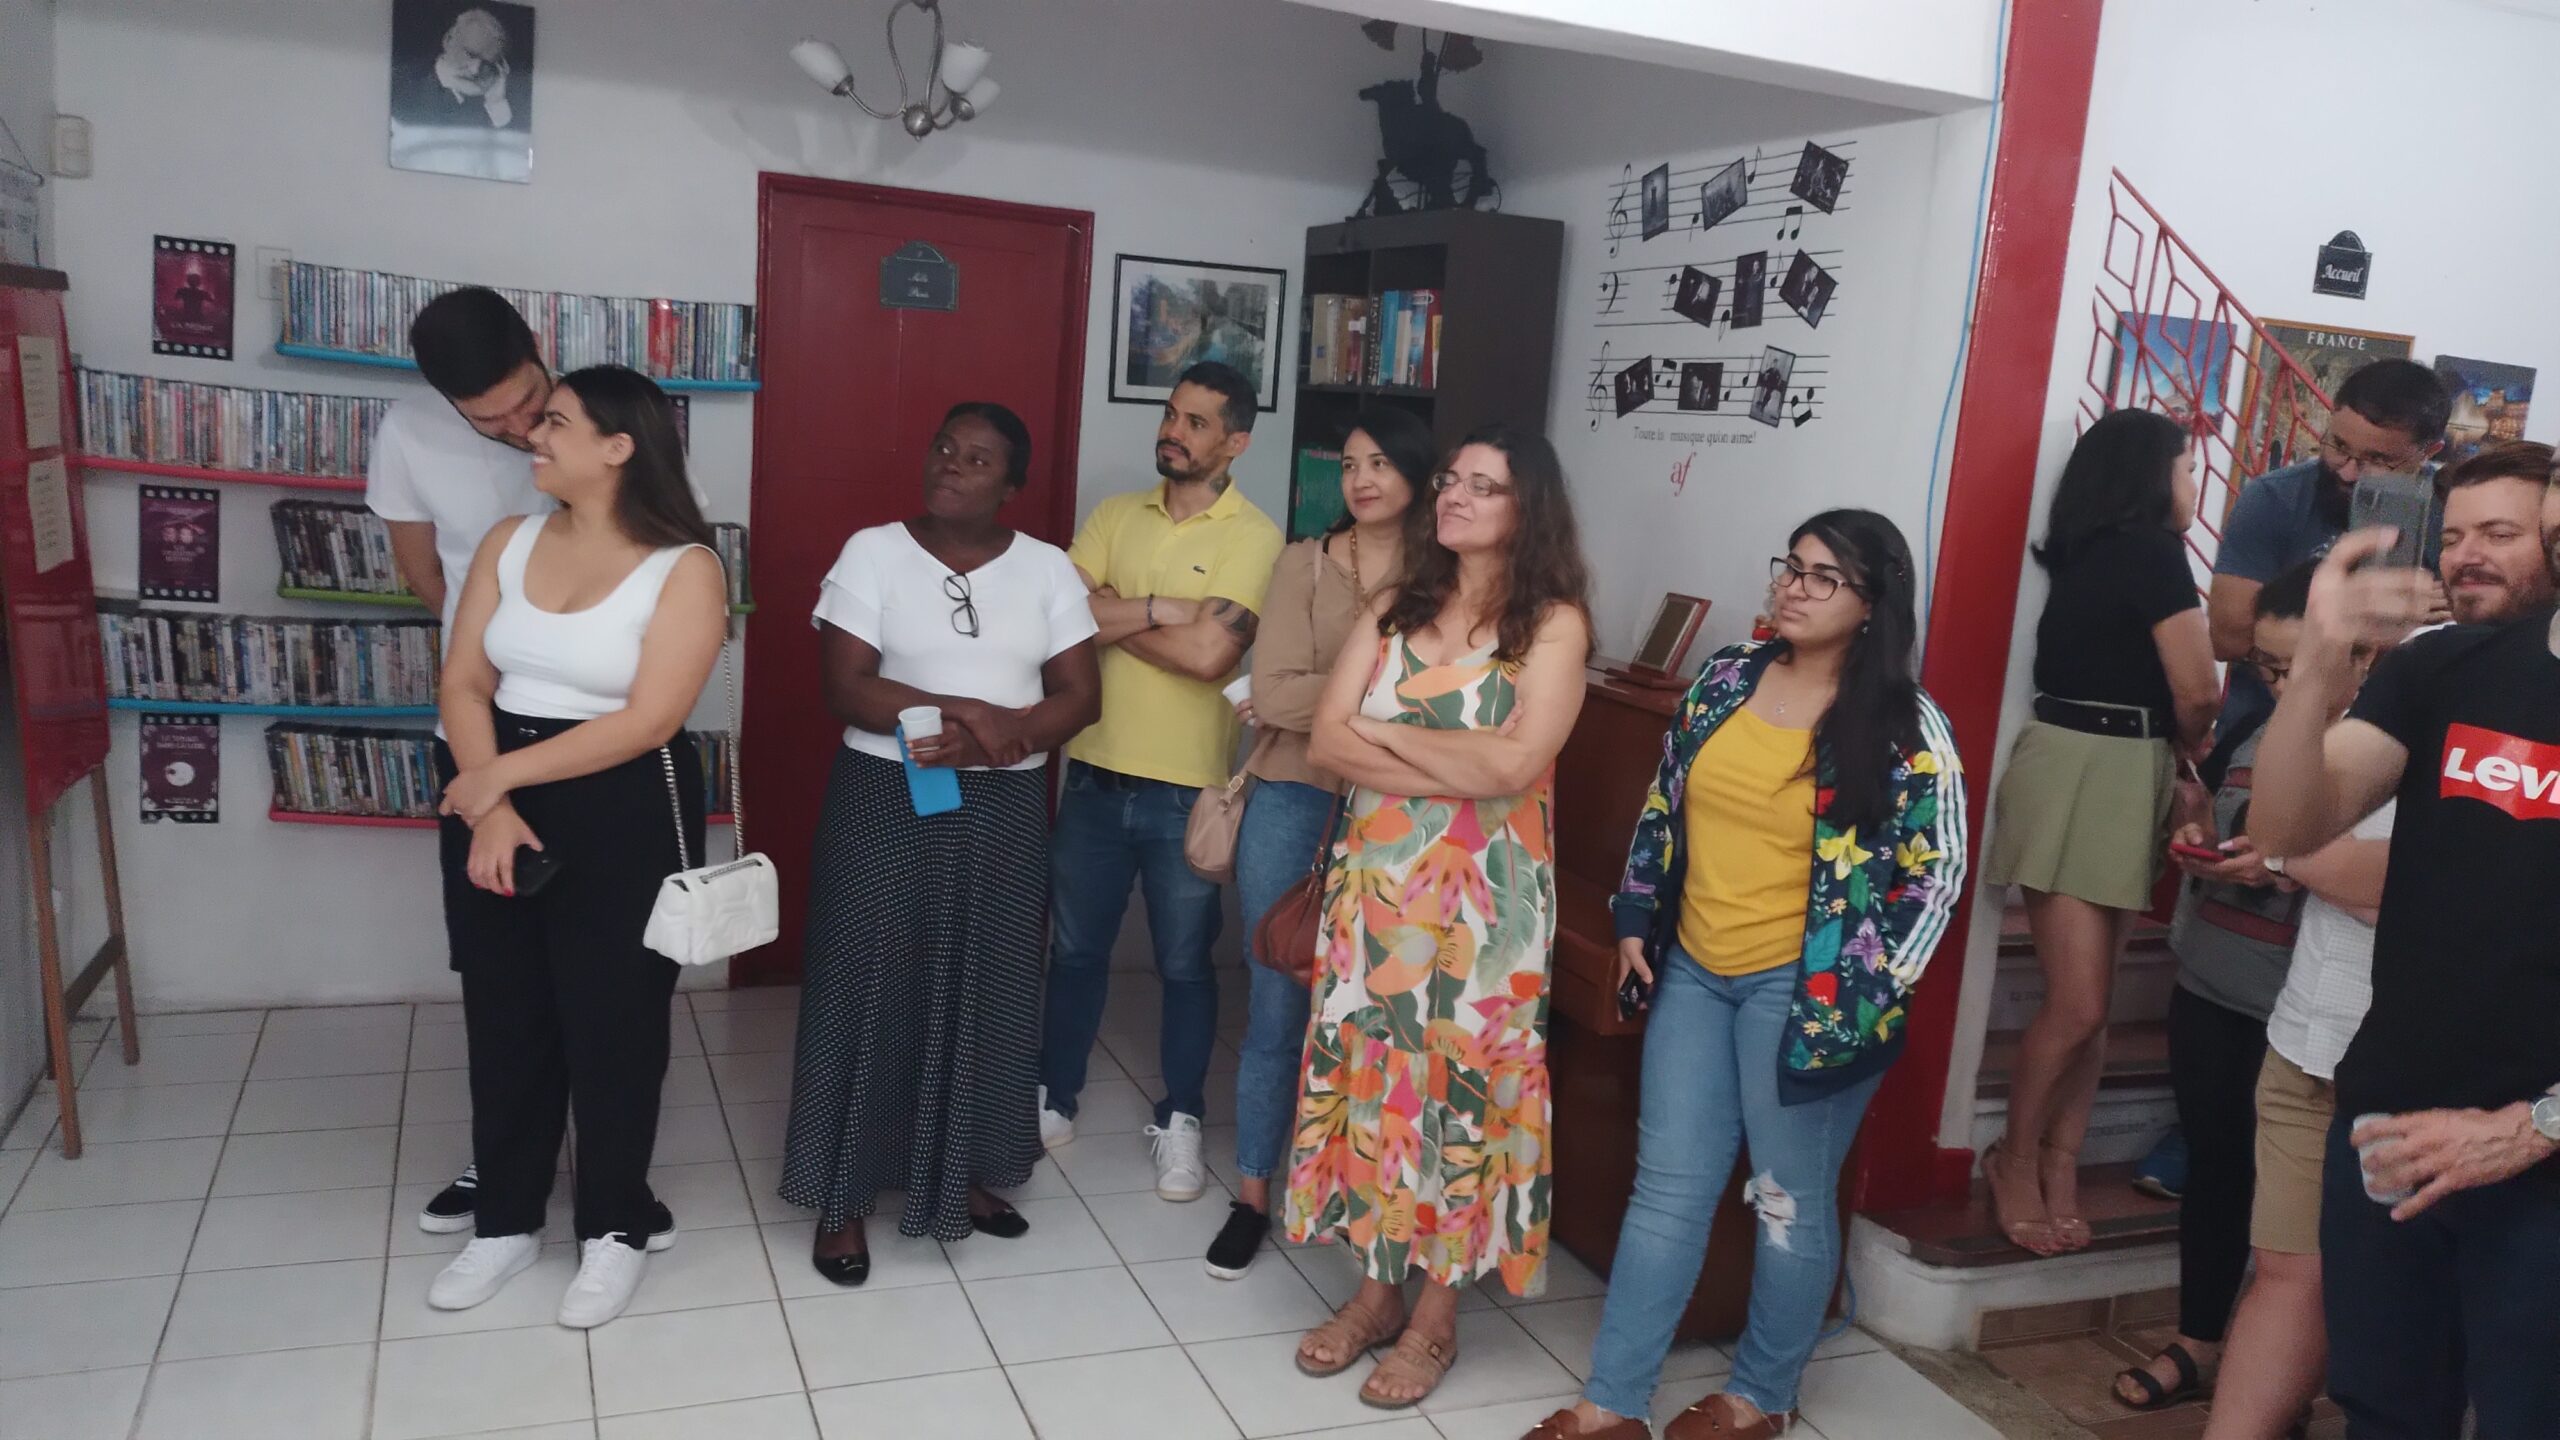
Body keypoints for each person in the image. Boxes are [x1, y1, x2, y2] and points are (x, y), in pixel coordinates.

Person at [1526, 511, 1966, 1440]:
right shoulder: (1728, 675)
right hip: (1695, 970)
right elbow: (1665, 802)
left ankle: (1760, 1396)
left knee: (1785, 1201)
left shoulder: (1905, 725)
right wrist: (1636, 916)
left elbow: (1936, 877)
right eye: (1791, 567)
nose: (1793, 588)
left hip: (1805, 997)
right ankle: (1612, 1402)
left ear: (1873, 604)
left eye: (1823, 577)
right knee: (1667, 1189)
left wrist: (1861, 996)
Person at [2202, 445, 2555, 1440]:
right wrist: (2319, 660)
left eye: (2499, 532)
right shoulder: (2440, 667)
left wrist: (2535, 1126)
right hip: (2391, 1122)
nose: (2469, 554)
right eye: (2456, 534)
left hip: (2540, 1143)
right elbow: (2285, 825)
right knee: (2386, 1410)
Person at [1284, 426, 1592, 1410]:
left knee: (1462, 1096)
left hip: (1484, 912)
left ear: (1527, 508)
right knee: (1378, 1084)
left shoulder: (1553, 625)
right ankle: (1376, 1293)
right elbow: (1326, 744)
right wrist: (1451, 757)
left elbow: (1515, 767)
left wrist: (1385, 733)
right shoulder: (1394, 604)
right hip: (1374, 893)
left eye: (1483, 486)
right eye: (1451, 480)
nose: (1453, 496)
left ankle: (1436, 1317)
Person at [423, 366, 728, 1330]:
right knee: (505, 1015)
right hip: (495, 787)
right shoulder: (508, 542)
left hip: (619, 800)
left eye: (555, 422)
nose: (534, 436)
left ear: (618, 447)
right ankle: (506, 1222)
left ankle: (614, 1227)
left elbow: (650, 720)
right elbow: (464, 682)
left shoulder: (685, 566)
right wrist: (492, 804)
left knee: (614, 1024)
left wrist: (498, 783)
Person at [778, 403, 1102, 1284]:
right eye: (945, 448)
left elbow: (1081, 696)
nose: (953, 465)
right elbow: (847, 686)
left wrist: (1003, 738)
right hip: (886, 794)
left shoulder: (1046, 567)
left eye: (979, 459)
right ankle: (842, 1195)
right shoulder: (874, 552)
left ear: (1012, 484)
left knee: (988, 984)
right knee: (866, 983)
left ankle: (963, 1170)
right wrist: (968, 713)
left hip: (1004, 803)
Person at [1037, 362, 1286, 1198]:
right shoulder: (1115, 514)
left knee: (1184, 964)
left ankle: (1181, 1118)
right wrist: (1163, 609)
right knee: (1075, 952)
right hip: (1092, 774)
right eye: (1171, 414)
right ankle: (1053, 1095)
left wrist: (1114, 611)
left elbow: (1212, 656)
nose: (1173, 431)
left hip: (1187, 792)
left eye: (1196, 422)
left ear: (1236, 442)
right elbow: (1055, 618)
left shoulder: (1254, 536)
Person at [1981, 408, 2218, 1255]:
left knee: (2094, 1002)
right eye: (2187, 468)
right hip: (2087, 766)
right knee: (2080, 1003)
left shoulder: (2094, 550)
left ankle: (2061, 1161)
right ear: (2150, 475)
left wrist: (2173, 764)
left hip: (2119, 762)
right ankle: (2013, 1158)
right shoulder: (2152, 552)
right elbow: (2199, 689)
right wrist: (2196, 747)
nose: (2194, 484)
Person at [1204, 406, 1433, 1280]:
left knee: (1375, 1013)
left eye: (1381, 463)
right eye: (1349, 465)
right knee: (1277, 1002)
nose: (1361, 479)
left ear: (1418, 473)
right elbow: (1272, 692)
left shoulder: (1445, 573)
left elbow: (1444, 697)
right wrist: (1391, 709)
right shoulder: (1303, 561)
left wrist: (1334, 707)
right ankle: (1252, 1194)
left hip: (1401, 813)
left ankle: (1350, 1191)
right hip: (1294, 799)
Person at [370, 284, 555, 1238]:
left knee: (611, 965)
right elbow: (422, 572)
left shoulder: (601, 414)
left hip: (598, 726)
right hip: (480, 724)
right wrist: (489, 647)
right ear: (449, 404)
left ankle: (615, 1168)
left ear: (540, 348)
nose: (521, 429)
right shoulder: (407, 433)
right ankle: (504, 1160)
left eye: (529, 403)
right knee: (498, 965)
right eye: (491, 421)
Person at [2112, 565, 2313, 1415]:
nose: (2280, 685)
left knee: (2290, 1210)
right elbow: (2218, 812)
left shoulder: (2378, 746)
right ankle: (2198, 1340)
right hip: (2211, 983)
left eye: (2297, 667)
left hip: (2296, 1010)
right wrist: (2194, 827)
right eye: (2267, 668)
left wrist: (2289, 865)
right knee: (2216, 1169)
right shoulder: (2256, 728)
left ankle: (2281, 1381)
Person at [2206, 359, 2448, 748]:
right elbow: (2228, 638)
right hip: (2258, 735)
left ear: (2429, 452)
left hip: (2392, 743)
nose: (2349, 471)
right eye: (2338, 446)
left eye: (2378, 460)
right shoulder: (2274, 498)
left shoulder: (2451, 515)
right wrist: (2381, 625)